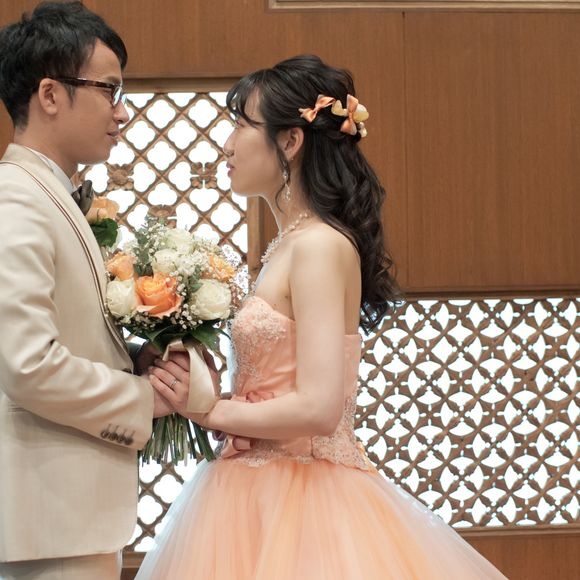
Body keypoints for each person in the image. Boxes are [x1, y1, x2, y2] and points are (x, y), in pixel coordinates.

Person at [138, 55, 507, 579]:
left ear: (290, 141)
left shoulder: (319, 246)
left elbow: (319, 407)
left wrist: (212, 410)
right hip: (254, 486)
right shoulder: (289, 245)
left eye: (241, 125)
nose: (227, 144)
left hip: (304, 495)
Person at [0, 3, 190, 578]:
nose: (121, 111)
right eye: (109, 90)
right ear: (50, 94)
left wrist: (133, 357)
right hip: (47, 522)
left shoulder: (46, 193)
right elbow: (27, 364)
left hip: (63, 518)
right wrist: (140, 398)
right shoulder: (16, 199)